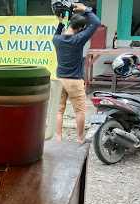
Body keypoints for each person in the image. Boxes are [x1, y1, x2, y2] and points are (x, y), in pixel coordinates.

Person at [53, 3, 101, 143]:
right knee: (79, 111)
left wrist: (60, 22)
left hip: (60, 78)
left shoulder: (56, 40)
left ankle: (58, 137)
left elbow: (58, 32)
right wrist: (86, 10)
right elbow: (96, 22)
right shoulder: (78, 40)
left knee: (59, 111)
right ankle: (80, 139)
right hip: (74, 80)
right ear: (80, 29)